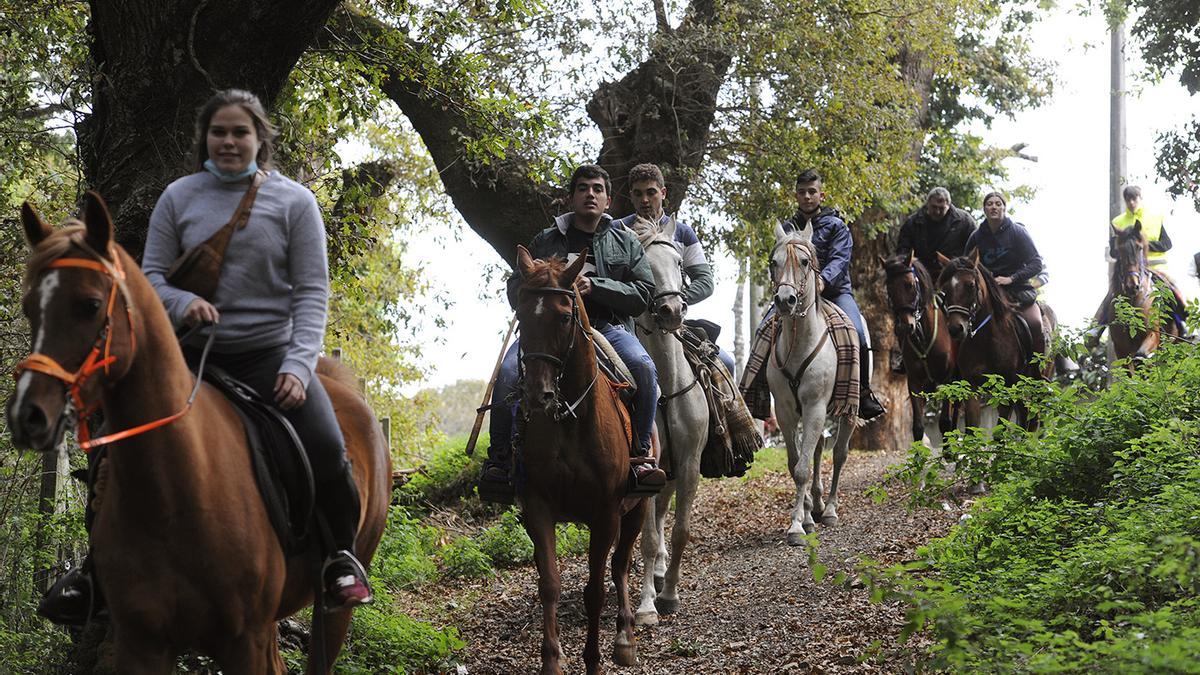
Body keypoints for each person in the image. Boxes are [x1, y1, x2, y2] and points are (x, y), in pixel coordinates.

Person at [479, 164, 667, 502]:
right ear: (571, 197)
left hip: (607, 328)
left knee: (644, 367)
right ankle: (500, 463)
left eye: (597, 189)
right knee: (507, 374)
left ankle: (639, 457)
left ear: (608, 200)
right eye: (582, 188)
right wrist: (542, 283)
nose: (590, 194)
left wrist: (596, 286)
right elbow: (514, 289)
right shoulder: (545, 239)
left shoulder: (624, 241)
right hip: (548, 335)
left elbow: (643, 294)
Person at [740, 169, 886, 421]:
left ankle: (862, 395)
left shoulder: (837, 226)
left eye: (812, 192)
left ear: (821, 194)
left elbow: (841, 260)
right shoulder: (786, 228)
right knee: (763, 329)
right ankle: (757, 393)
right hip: (794, 294)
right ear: (796, 195)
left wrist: (822, 280)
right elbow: (776, 262)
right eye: (802, 192)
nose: (807, 196)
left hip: (834, 292)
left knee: (858, 333)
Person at [612, 163, 737, 376]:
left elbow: (705, 281)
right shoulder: (617, 231)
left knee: (726, 362)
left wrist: (671, 300)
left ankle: (731, 410)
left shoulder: (683, 233)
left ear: (663, 193)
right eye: (638, 193)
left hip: (673, 320)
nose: (644, 200)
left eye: (651, 192)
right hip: (628, 325)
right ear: (631, 196)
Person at [1089, 185, 1184, 339]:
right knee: (1112, 294)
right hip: (1129, 269)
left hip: (1154, 266)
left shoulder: (1154, 218)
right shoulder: (1118, 221)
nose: (1132, 202)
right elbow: (1113, 251)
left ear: (1140, 199)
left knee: (1172, 290)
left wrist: (1142, 246)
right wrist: (1125, 247)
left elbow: (1167, 244)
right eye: (1128, 200)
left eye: (1134, 199)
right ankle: (1096, 329)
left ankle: (1185, 324)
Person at [964, 192, 1047, 360]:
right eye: (990, 204)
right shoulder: (976, 236)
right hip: (986, 293)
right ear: (984, 209)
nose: (994, 206)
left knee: (1035, 323)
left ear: (1004, 208)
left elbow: (1036, 263)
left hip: (1017, 290)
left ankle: (1036, 370)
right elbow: (966, 265)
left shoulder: (1017, 232)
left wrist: (1011, 278)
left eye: (998, 203)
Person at [896, 186, 977, 280]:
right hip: (921, 274)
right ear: (928, 204)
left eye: (941, 208)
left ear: (949, 205)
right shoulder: (913, 222)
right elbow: (902, 251)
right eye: (934, 207)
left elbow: (974, 249)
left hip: (955, 274)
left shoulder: (964, 221)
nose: (937, 211)